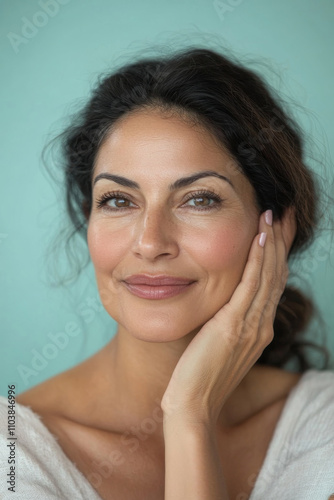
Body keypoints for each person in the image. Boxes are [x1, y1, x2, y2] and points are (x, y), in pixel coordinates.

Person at [1, 47, 334, 500]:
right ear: (89, 220)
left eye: (199, 199)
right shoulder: (12, 453)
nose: (151, 243)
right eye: (118, 200)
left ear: (275, 224)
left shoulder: (325, 425)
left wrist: (188, 414)